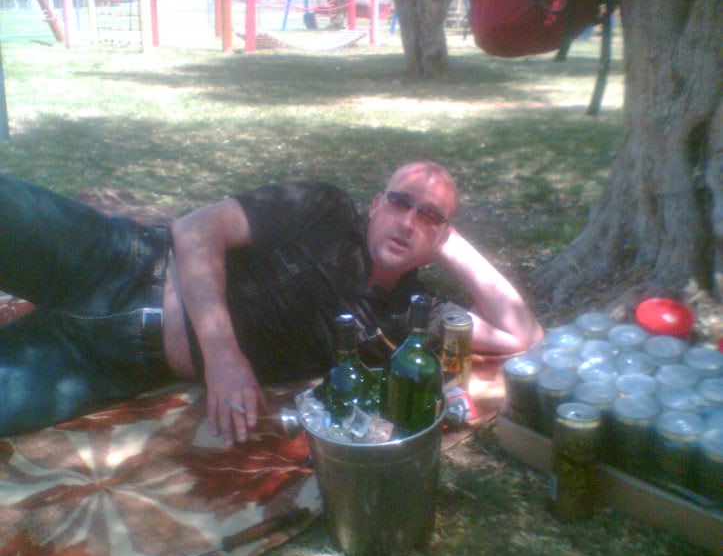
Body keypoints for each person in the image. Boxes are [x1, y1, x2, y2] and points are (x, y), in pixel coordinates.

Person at [0, 162, 543, 443]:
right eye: (401, 203)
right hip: (113, 260)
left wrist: (451, 243)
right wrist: (223, 356)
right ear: (377, 205)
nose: (408, 222)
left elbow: (522, 334)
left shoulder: (411, 316)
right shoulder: (324, 209)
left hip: (106, 365)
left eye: (429, 217)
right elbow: (195, 228)